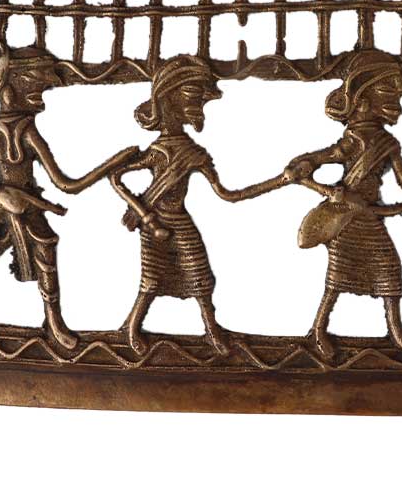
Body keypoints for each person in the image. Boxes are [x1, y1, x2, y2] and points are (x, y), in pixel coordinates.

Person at [0, 39, 136, 350]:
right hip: (0, 206)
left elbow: (64, 185)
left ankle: (53, 322)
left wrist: (112, 164)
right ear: (15, 87)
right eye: (38, 89)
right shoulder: (12, 130)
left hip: (29, 204)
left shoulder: (22, 129)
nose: (43, 99)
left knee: (45, 251)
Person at [108, 55, 287, 355]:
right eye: (192, 95)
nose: (199, 105)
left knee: (201, 277)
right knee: (152, 280)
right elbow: (115, 178)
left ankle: (212, 329)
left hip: (179, 220)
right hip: (156, 222)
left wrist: (280, 180)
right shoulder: (158, 152)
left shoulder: (194, 153)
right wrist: (145, 216)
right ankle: (131, 327)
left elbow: (228, 194)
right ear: (169, 99)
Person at [284, 51, 402, 360]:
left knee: (389, 271)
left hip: (370, 218)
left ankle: (396, 330)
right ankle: (319, 330)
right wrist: (327, 190)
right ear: (363, 99)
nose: (398, 105)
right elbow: (298, 170)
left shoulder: (389, 144)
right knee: (337, 278)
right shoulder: (351, 143)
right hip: (347, 220)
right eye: (390, 95)